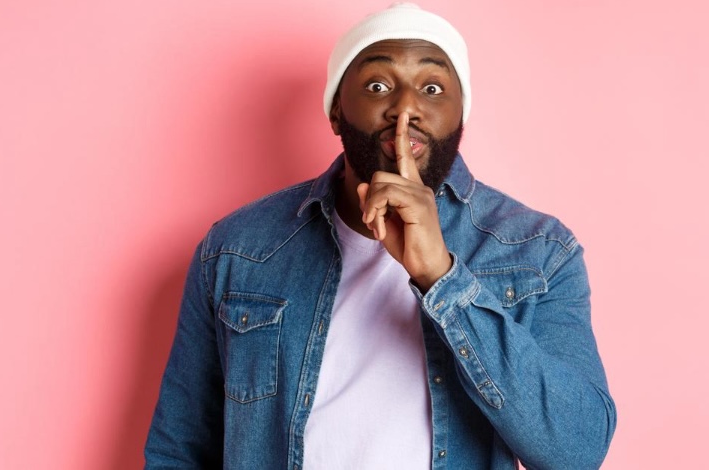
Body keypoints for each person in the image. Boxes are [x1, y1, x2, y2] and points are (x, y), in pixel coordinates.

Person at [145, 3, 615, 469]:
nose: (406, 108)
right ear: (336, 111)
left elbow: (576, 451)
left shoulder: (538, 250)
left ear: (461, 117)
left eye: (432, 88)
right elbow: (178, 450)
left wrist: (442, 278)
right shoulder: (236, 249)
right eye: (378, 85)